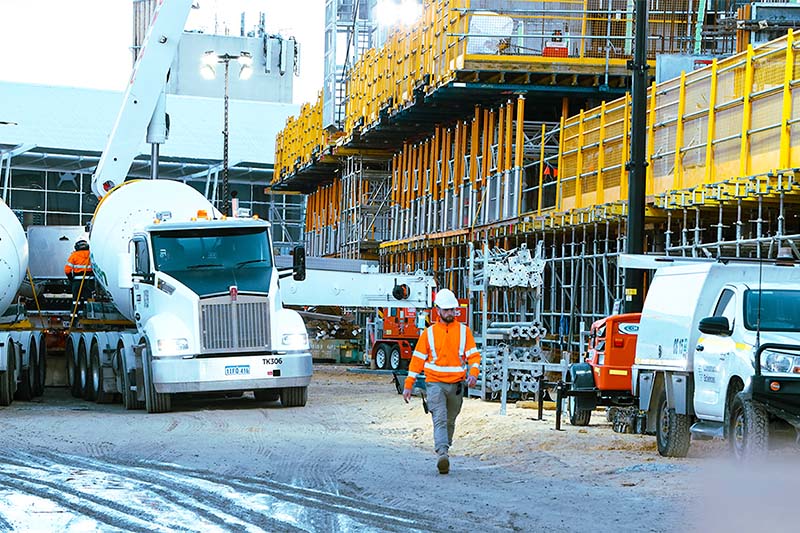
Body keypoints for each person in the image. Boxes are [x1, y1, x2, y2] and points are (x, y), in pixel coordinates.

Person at [402, 288, 481, 474]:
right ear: (438, 310)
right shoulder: (428, 334)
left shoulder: (464, 332)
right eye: (446, 310)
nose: (450, 313)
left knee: (450, 420)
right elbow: (417, 361)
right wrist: (408, 385)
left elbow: (474, 356)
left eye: (452, 310)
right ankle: (442, 453)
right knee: (440, 419)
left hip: (457, 385)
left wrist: (474, 373)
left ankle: (445, 446)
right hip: (434, 383)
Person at [64, 239, 94, 310]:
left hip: (77, 282)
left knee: (76, 300)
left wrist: (71, 279)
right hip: (89, 281)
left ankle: (74, 316)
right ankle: (88, 314)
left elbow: (67, 270)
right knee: (88, 299)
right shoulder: (91, 254)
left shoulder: (74, 255)